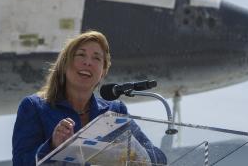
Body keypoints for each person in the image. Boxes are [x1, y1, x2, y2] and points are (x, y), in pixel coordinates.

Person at [12, 30, 166, 165]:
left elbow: (158, 158)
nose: (88, 62)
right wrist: (52, 146)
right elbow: (21, 162)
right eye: (81, 55)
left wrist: (128, 155)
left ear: (103, 71)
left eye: (97, 58)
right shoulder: (35, 107)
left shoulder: (114, 110)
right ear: (65, 64)